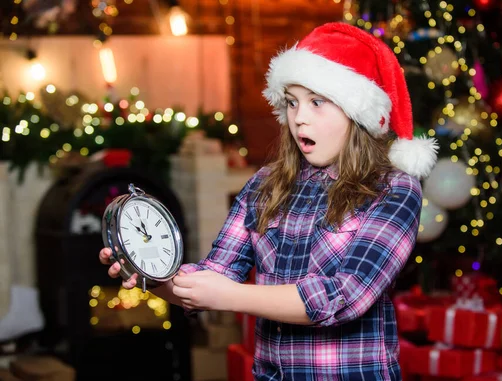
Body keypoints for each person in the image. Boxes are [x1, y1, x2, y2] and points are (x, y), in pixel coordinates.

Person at [99, 21, 438, 380]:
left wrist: (229, 296)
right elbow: (216, 276)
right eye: (292, 102)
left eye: (317, 102)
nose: (299, 118)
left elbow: (345, 296)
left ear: (357, 114)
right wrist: (150, 273)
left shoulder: (395, 189)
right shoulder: (265, 185)